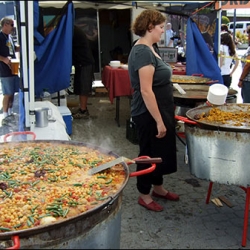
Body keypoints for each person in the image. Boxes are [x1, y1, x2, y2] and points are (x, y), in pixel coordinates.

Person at [128, 9, 179, 212]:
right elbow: (146, 90)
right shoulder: (142, 51)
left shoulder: (151, 47)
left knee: (160, 151)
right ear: (150, 27)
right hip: (148, 113)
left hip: (160, 110)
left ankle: (158, 187)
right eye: (160, 27)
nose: (162, 31)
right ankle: (144, 194)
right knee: (148, 153)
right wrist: (159, 121)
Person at [72, 25, 95, 119]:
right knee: (81, 86)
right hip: (82, 62)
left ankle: (83, 111)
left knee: (83, 87)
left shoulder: (73, 31)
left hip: (85, 62)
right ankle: (82, 108)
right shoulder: (74, 30)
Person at [0, 17, 20, 126]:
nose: (13, 27)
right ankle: (5, 115)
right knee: (7, 93)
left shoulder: (9, 37)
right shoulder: (0, 37)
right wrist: (3, 59)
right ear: (5, 25)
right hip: (4, 70)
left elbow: (13, 49)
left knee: (12, 92)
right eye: (12, 25)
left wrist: (21, 48)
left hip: (13, 68)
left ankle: (10, 112)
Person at [238, 26, 250, 103]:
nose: (247, 37)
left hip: (248, 81)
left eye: (248, 35)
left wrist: (241, 79)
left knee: (247, 105)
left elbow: (248, 65)